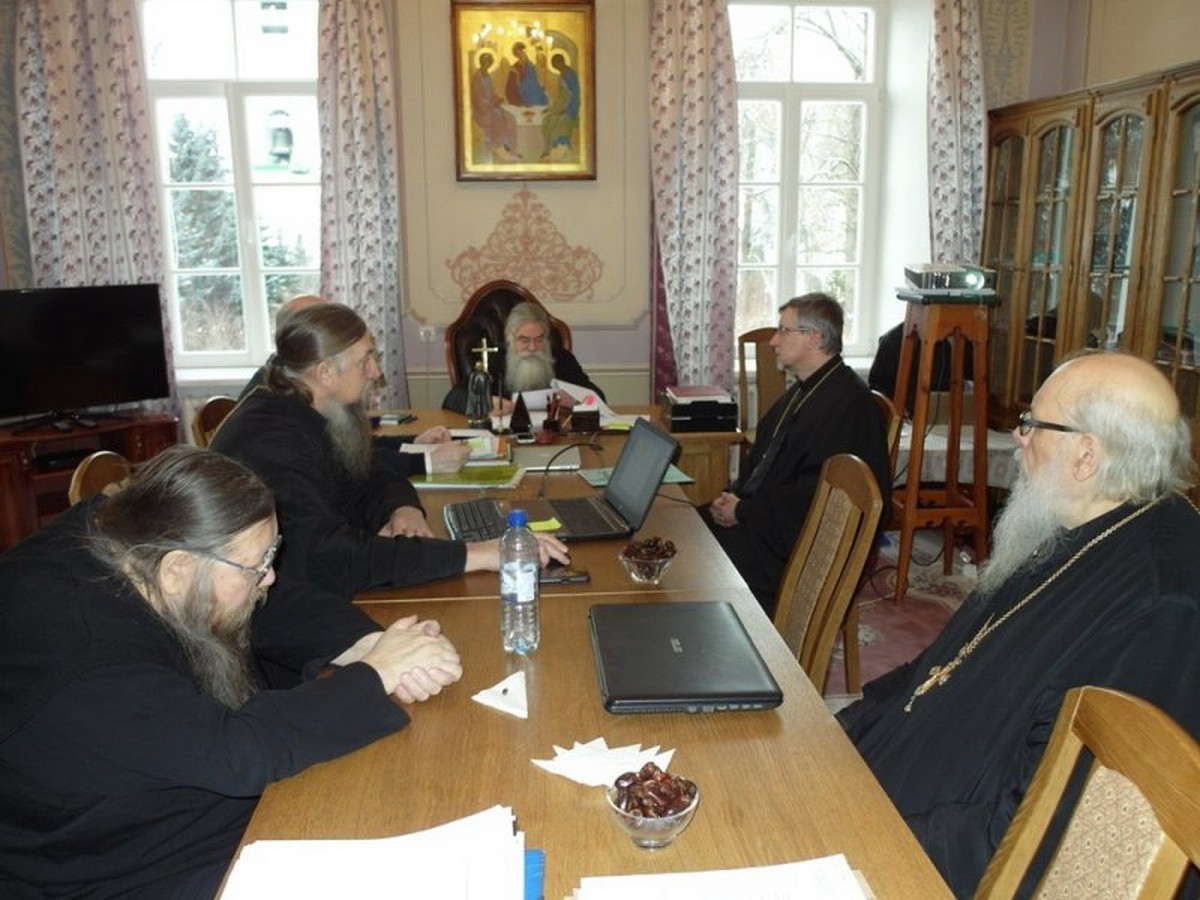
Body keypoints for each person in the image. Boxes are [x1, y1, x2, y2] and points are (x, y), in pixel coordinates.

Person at [0, 446, 463, 898]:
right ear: (177, 568)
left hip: (167, 800)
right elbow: (236, 752)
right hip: (112, 864)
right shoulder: (91, 662)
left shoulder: (129, 535)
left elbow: (264, 604)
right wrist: (376, 674)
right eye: (257, 565)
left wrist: (369, 645)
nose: (270, 576)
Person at [838, 351, 1200, 897]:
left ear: (1086, 454)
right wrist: (845, 733)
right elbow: (941, 666)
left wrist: (876, 844)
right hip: (890, 785)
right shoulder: (1075, 523)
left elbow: (1062, 823)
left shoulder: (1161, 605)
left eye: (1032, 424)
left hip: (933, 858)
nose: (1019, 436)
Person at [211, 303, 568, 683]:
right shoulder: (270, 441)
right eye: (365, 360)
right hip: (271, 650)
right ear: (326, 372)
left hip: (312, 603)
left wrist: (401, 508)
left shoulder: (311, 408)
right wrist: (474, 554)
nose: (375, 373)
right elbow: (330, 555)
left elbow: (366, 470)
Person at [701, 293, 891, 615]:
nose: (773, 341)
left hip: (797, 550)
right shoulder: (809, 387)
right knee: (688, 526)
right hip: (772, 524)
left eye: (783, 331)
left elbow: (812, 498)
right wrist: (734, 498)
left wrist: (743, 511)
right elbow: (766, 462)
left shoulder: (848, 404)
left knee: (696, 561)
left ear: (814, 338)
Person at [239, 293, 468, 478]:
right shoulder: (275, 425)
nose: (376, 373)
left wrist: (413, 444)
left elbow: (351, 452)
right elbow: (341, 471)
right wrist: (423, 461)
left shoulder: (298, 387)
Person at [442, 300, 606, 415]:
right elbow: (453, 398)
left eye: (539, 339)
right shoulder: (494, 359)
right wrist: (488, 402)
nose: (533, 347)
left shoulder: (561, 358)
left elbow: (598, 396)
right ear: (510, 337)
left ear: (547, 337)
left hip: (554, 438)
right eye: (524, 340)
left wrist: (576, 401)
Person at [867, 321, 974, 417]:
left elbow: (973, 380)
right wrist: (896, 411)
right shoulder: (894, 340)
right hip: (908, 420)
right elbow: (878, 387)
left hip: (957, 418)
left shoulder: (967, 338)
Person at [470, 51, 520, 162]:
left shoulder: (487, 76)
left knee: (510, 117)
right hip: (482, 110)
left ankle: (511, 148)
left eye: (490, 62)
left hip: (492, 107)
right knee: (498, 118)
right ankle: (498, 148)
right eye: (487, 62)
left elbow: (491, 93)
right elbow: (477, 99)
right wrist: (492, 104)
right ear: (482, 62)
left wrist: (498, 99)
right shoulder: (477, 78)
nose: (488, 64)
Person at [540, 52, 580, 161]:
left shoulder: (570, 75)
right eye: (553, 65)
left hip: (571, 109)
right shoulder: (562, 75)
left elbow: (575, 94)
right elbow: (560, 96)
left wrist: (567, 110)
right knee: (547, 121)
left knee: (560, 122)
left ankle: (560, 149)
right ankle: (548, 149)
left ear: (560, 62)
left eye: (555, 64)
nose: (555, 67)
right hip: (561, 108)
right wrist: (551, 109)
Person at [504, 42, 547, 107]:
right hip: (521, 95)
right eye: (519, 52)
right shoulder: (514, 68)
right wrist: (517, 75)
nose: (522, 54)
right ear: (516, 55)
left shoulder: (530, 66)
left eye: (523, 52)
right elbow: (511, 88)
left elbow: (535, 81)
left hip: (534, 93)